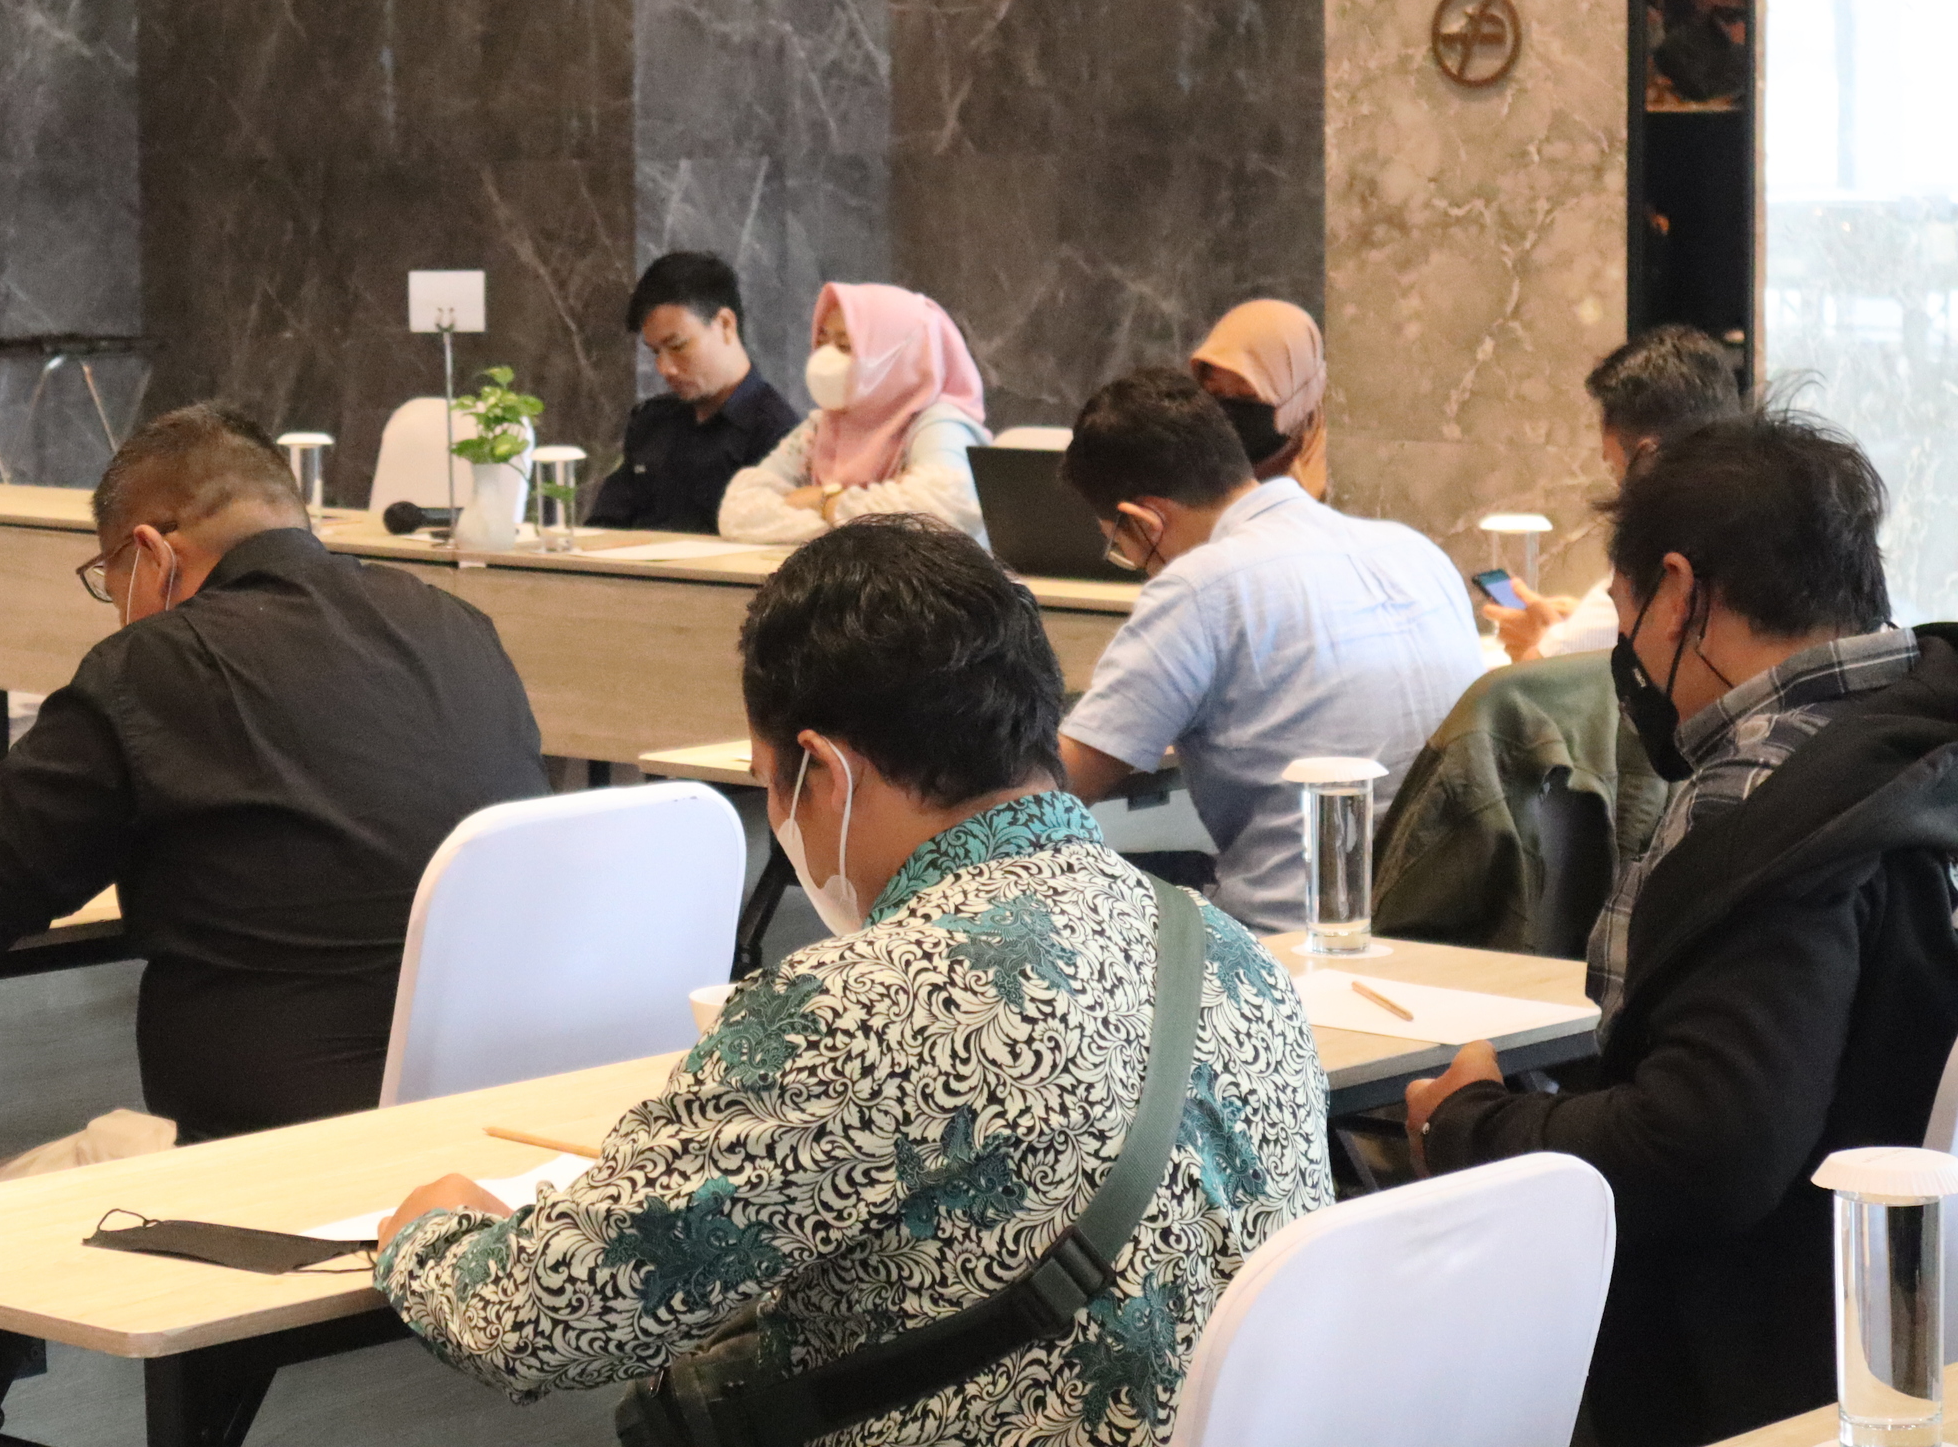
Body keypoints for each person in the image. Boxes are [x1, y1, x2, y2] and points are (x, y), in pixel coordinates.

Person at [373, 518, 1331, 1445]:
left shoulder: (862, 1004)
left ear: (825, 773)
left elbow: (547, 1317)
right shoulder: (1229, 952)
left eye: (768, 780)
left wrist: (429, 1235)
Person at [1405, 413, 1958, 1447]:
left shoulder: (1767, 796)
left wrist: (1471, 1124)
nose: (1627, 653)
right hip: (1900, 1340)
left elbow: (1704, 1147)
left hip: (1756, 1373)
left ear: (1678, 591)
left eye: (1623, 613)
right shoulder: (1917, 743)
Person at [0, 403, 545, 1140]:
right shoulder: (457, 625)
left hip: (267, 1156)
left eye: (111, 584)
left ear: (151, 554)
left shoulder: (153, 665)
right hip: (498, 1118)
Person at [1055, 369, 1483, 934]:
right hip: (1454, 928)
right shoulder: (1416, 551)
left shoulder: (1199, 586)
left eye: (1121, 546)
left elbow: (1056, 787)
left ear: (1145, 520)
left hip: (1293, 940)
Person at [1494, 323, 1741, 661]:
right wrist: (1580, 620)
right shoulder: (1760, 528)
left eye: (1614, 469)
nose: (1619, 490)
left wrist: (1534, 641)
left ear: (1647, 460)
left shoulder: (1660, 561)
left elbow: (1537, 679)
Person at [720, 282, 991, 544]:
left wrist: (823, 501)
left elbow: (941, 510)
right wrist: (855, 528)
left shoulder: (938, 424)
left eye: (845, 346)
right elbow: (738, 511)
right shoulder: (822, 426)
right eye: (822, 342)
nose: (824, 359)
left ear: (899, 356)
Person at [589, 252, 799, 533]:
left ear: (725, 324)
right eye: (655, 352)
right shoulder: (651, 421)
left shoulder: (779, 437)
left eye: (678, 346)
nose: (665, 368)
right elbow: (602, 528)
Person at [1188, 298, 1328, 498]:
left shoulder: (1339, 491)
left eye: (1249, 396)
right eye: (1215, 394)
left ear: (1301, 394)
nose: (1229, 411)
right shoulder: (1186, 480)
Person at [1651, 0, 1749, 106]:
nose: (1733, 5)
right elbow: (1703, 93)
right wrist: (1738, 49)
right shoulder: (1678, 44)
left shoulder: (1755, 38)